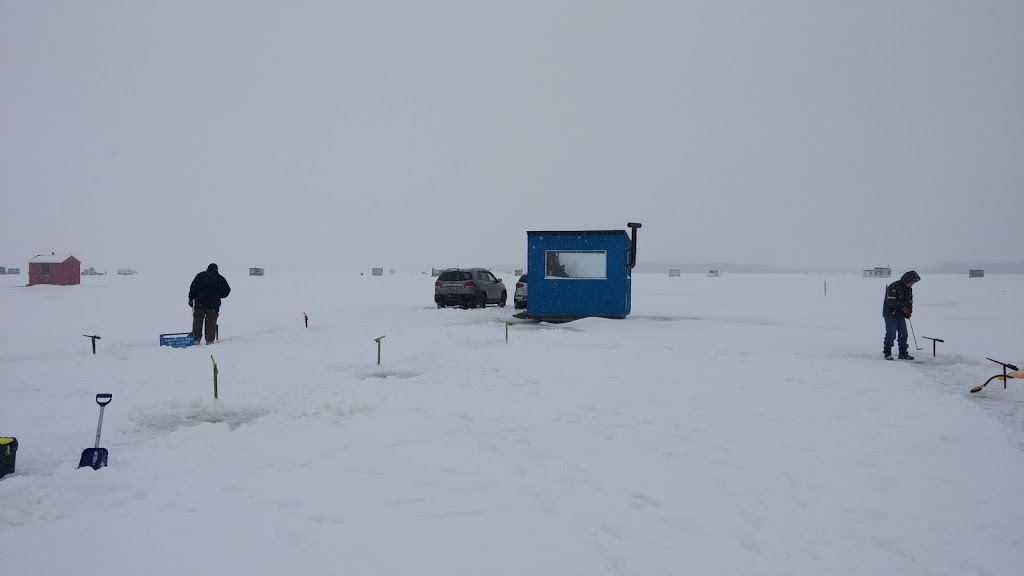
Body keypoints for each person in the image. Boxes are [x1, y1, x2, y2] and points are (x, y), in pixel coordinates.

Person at [881, 270, 921, 360]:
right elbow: (891, 302)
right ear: (907, 280)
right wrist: (903, 309)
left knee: (904, 334)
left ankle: (903, 353)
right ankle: (887, 353)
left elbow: (910, 302)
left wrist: (909, 312)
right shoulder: (893, 287)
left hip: (900, 315)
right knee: (891, 334)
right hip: (890, 315)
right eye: (911, 282)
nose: (912, 285)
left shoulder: (909, 289)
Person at [189, 263, 231, 344]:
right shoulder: (220, 278)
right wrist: (219, 295)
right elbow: (227, 290)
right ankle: (209, 340)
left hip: (199, 304)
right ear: (216, 269)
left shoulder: (200, 276)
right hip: (213, 305)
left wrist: (191, 299)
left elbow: (193, 288)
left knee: (197, 322)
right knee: (211, 323)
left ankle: (196, 339)